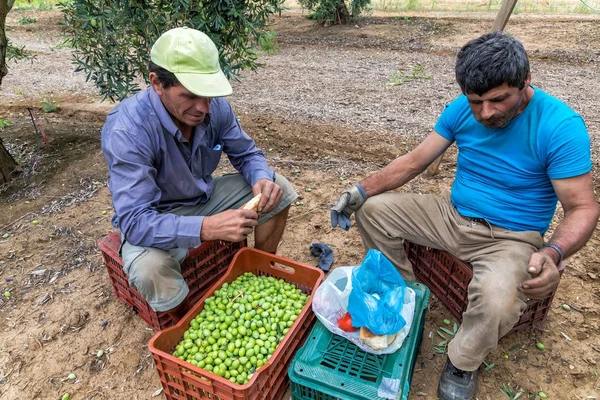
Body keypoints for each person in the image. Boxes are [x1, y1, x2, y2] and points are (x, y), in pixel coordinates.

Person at [330, 31, 599, 400]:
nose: (485, 113)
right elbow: (414, 162)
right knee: (374, 211)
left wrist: (554, 253)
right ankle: (406, 296)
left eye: (498, 100)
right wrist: (359, 191)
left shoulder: (560, 126)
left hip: (511, 237)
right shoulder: (461, 109)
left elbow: (582, 207)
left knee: (498, 299)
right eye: (476, 102)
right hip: (450, 215)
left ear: (526, 81)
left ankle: (462, 362)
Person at [101, 27, 297, 322]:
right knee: (150, 269)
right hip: (156, 216)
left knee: (278, 189)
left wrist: (261, 178)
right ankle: (183, 319)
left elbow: (246, 154)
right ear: (157, 83)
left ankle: (262, 269)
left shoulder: (213, 108)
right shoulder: (128, 130)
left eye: (208, 95)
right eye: (190, 96)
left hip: (202, 198)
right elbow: (135, 222)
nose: (203, 108)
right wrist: (205, 227)